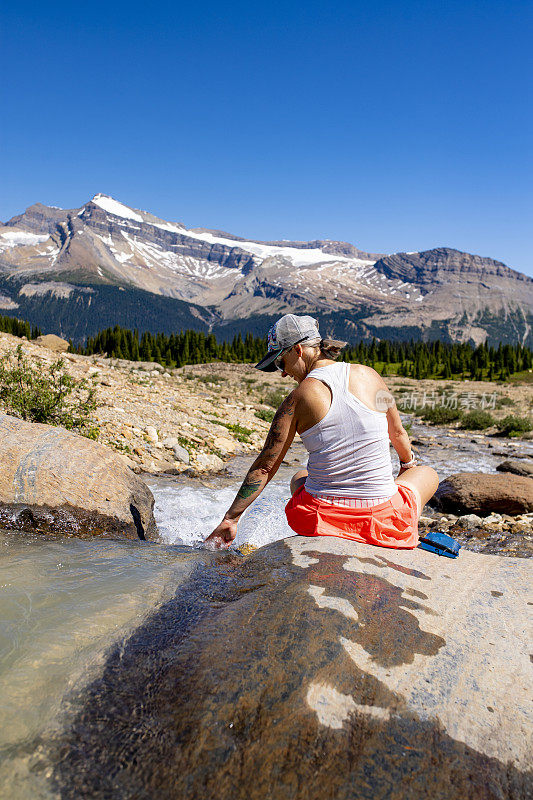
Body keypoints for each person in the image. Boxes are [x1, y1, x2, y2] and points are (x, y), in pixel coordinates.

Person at [204, 314, 439, 550]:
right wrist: (407, 466)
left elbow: (265, 467)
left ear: (297, 350)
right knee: (427, 473)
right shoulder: (371, 376)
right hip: (384, 520)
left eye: (280, 363)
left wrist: (231, 518)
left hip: (322, 518)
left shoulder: (296, 400)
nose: (283, 373)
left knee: (299, 477)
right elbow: (397, 433)